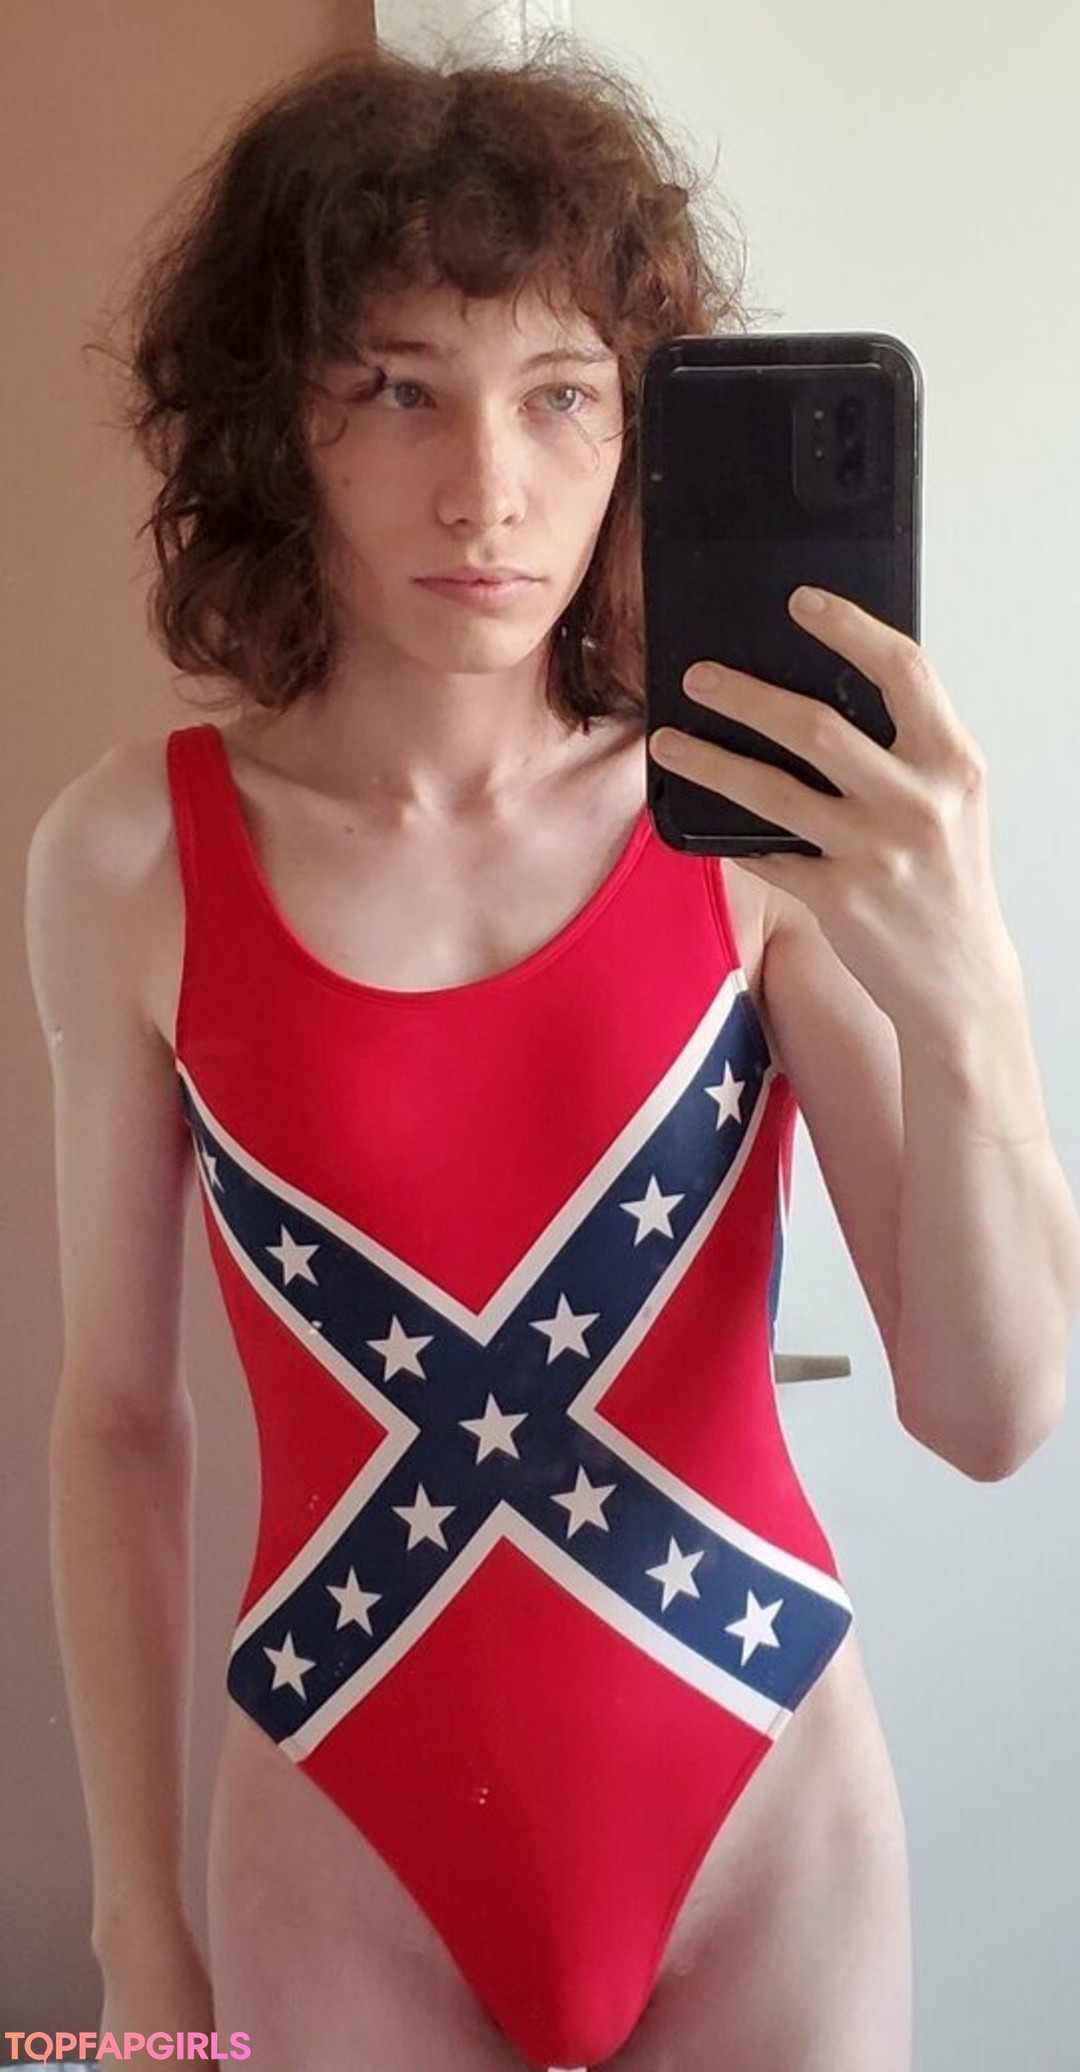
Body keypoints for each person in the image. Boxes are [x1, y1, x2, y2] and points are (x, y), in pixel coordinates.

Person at [24, 38, 1080, 2072]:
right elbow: (118, 1423)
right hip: (337, 1823)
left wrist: (970, 985)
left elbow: (994, 1408)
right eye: (399, 386)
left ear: (642, 427)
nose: (487, 488)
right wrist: (136, 1943)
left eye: (562, 394)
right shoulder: (128, 858)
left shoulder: (754, 836)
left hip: (763, 1813)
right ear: (276, 416)